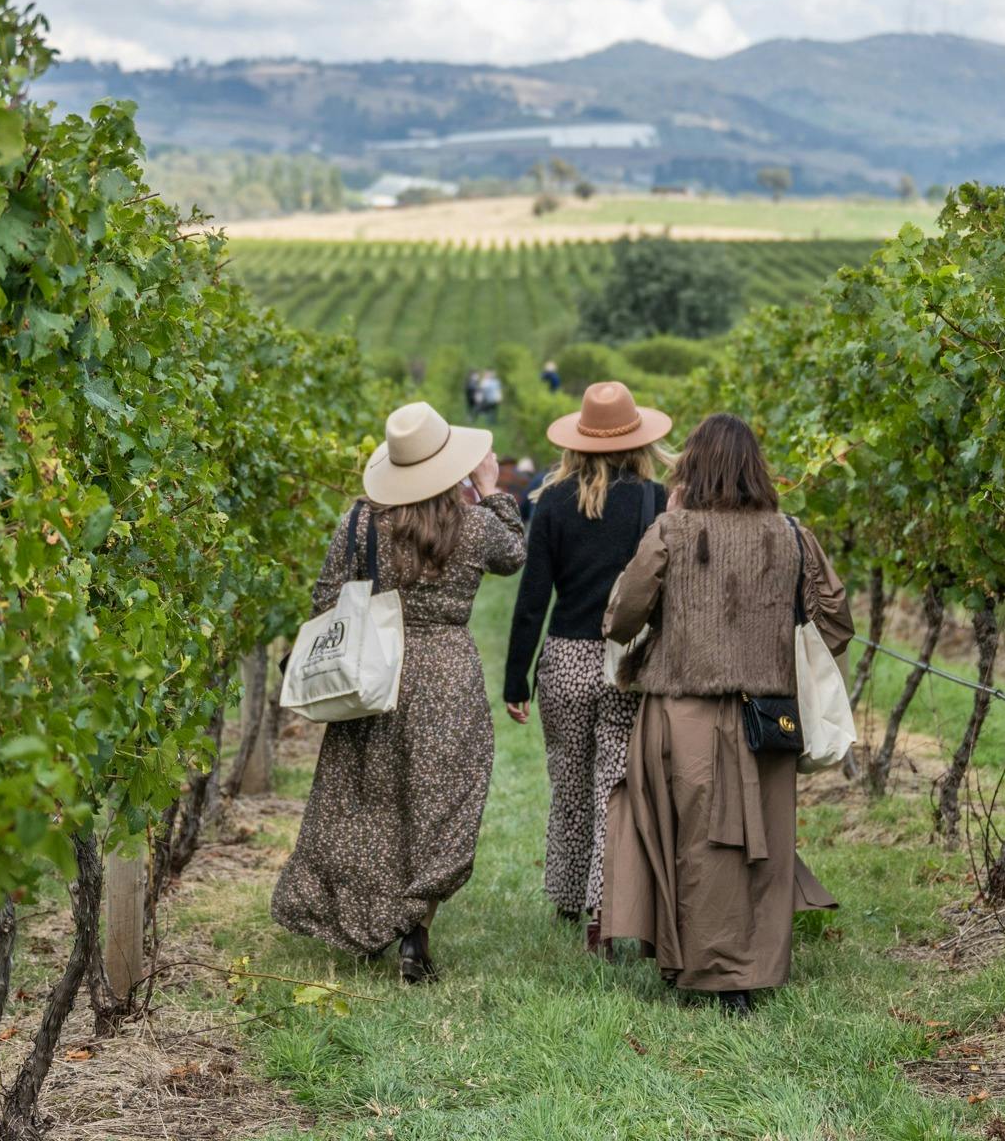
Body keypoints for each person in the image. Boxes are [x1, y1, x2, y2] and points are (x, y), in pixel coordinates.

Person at [598, 412, 852, 1015]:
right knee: (756, 847)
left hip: (679, 713)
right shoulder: (792, 534)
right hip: (767, 717)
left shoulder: (671, 531)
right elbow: (837, 624)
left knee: (687, 840)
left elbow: (620, 618)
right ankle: (744, 975)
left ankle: (692, 963)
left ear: (693, 466)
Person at [272, 401, 526, 983]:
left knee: (370, 801)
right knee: (438, 802)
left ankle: (366, 919)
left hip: (375, 671)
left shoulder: (362, 521)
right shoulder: (476, 523)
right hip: (446, 674)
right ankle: (415, 930)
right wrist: (490, 490)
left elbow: (325, 597)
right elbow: (515, 554)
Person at [501, 382, 673, 947]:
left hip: (565, 659)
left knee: (569, 781)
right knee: (615, 785)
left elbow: (533, 597)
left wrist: (516, 678)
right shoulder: (658, 500)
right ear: (638, 440)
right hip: (628, 657)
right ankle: (608, 909)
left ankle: (569, 898)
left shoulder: (551, 501)